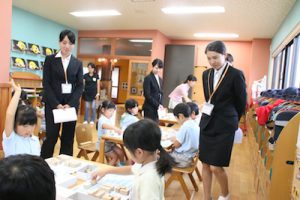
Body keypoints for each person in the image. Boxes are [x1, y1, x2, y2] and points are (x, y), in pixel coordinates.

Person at [200, 41, 246, 200]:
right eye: (209, 58)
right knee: (205, 164)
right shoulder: (206, 74)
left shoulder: (235, 74)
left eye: (215, 57)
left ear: (225, 56)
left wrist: (233, 121)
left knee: (216, 166)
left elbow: (241, 102)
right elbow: (209, 99)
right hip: (207, 123)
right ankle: (206, 197)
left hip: (225, 125)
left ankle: (225, 194)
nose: (212, 62)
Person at [92, 119, 175, 199]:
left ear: (139, 152)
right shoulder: (150, 161)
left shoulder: (149, 179)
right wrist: (108, 170)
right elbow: (131, 169)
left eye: (129, 151)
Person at [41, 29, 83, 159]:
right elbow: (46, 84)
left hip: (70, 107)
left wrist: (70, 104)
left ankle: (65, 167)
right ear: (59, 43)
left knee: (68, 138)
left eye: (70, 43)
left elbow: (80, 85)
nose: (67, 46)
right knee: (51, 137)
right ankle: (43, 166)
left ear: (73, 45)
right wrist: (56, 104)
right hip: (53, 105)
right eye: (64, 42)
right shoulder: (50, 60)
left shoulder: (78, 63)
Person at [3, 79, 40, 157]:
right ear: (14, 123)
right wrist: (17, 92)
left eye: (32, 125)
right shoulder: (11, 138)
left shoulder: (35, 140)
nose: (29, 130)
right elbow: (10, 114)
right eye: (25, 126)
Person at [169, 103, 200, 168]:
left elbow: (177, 145)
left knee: (159, 156)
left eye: (176, 118)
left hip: (182, 159)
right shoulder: (194, 124)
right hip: (191, 156)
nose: (177, 121)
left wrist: (174, 140)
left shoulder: (185, 126)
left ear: (180, 116)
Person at [97, 100, 125, 166]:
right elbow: (104, 125)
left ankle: (121, 166)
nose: (112, 113)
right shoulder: (102, 119)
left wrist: (116, 131)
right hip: (103, 145)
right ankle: (105, 171)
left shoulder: (108, 119)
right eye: (110, 111)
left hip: (111, 144)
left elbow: (110, 130)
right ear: (103, 110)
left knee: (121, 153)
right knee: (115, 157)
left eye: (113, 111)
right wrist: (114, 128)